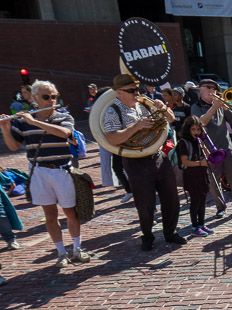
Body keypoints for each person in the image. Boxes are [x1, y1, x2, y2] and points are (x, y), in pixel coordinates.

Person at [0, 80, 90, 266]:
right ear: (34, 98)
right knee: (50, 214)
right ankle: (61, 253)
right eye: (46, 97)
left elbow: (64, 133)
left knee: (71, 212)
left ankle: (77, 248)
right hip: (39, 171)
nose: (51, 100)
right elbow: (13, 146)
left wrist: (35, 122)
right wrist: (6, 130)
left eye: (53, 96)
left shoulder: (63, 116)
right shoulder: (22, 122)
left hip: (61, 170)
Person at [102, 74, 184, 251]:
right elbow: (112, 139)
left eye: (137, 89)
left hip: (158, 155)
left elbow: (170, 120)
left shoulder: (144, 104)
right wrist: (136, 127)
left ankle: (171, 232)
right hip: (135, 161)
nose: (136, 93)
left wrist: (163, 109)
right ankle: (147, 236)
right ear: (119, 92)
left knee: (171, 197)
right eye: (131, 91)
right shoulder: (112, 111)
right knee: (145, 203)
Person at [192, 78, 232, 218]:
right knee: (214, 180)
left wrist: (224, 106)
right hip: (209, 149)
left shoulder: (219, 104)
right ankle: (220, 207)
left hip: (227, 146)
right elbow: (200, 123)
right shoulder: (196, 106)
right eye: (209, 87)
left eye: (214, 88)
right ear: (201, 89)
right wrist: (214, 107)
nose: (212, 91)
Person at [177, 116, 214, 237]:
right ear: (188, 130)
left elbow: (209, 157)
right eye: (193, 130)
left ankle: (202, 224)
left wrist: (203, 145)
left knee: (203, 200)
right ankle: (194, 226)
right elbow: (185, 162)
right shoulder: (183, 143)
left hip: (202, 174)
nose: (196, 132)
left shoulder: (199, 141)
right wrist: (199, 163)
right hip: (191, 176)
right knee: (195, 201)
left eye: (198, 130)